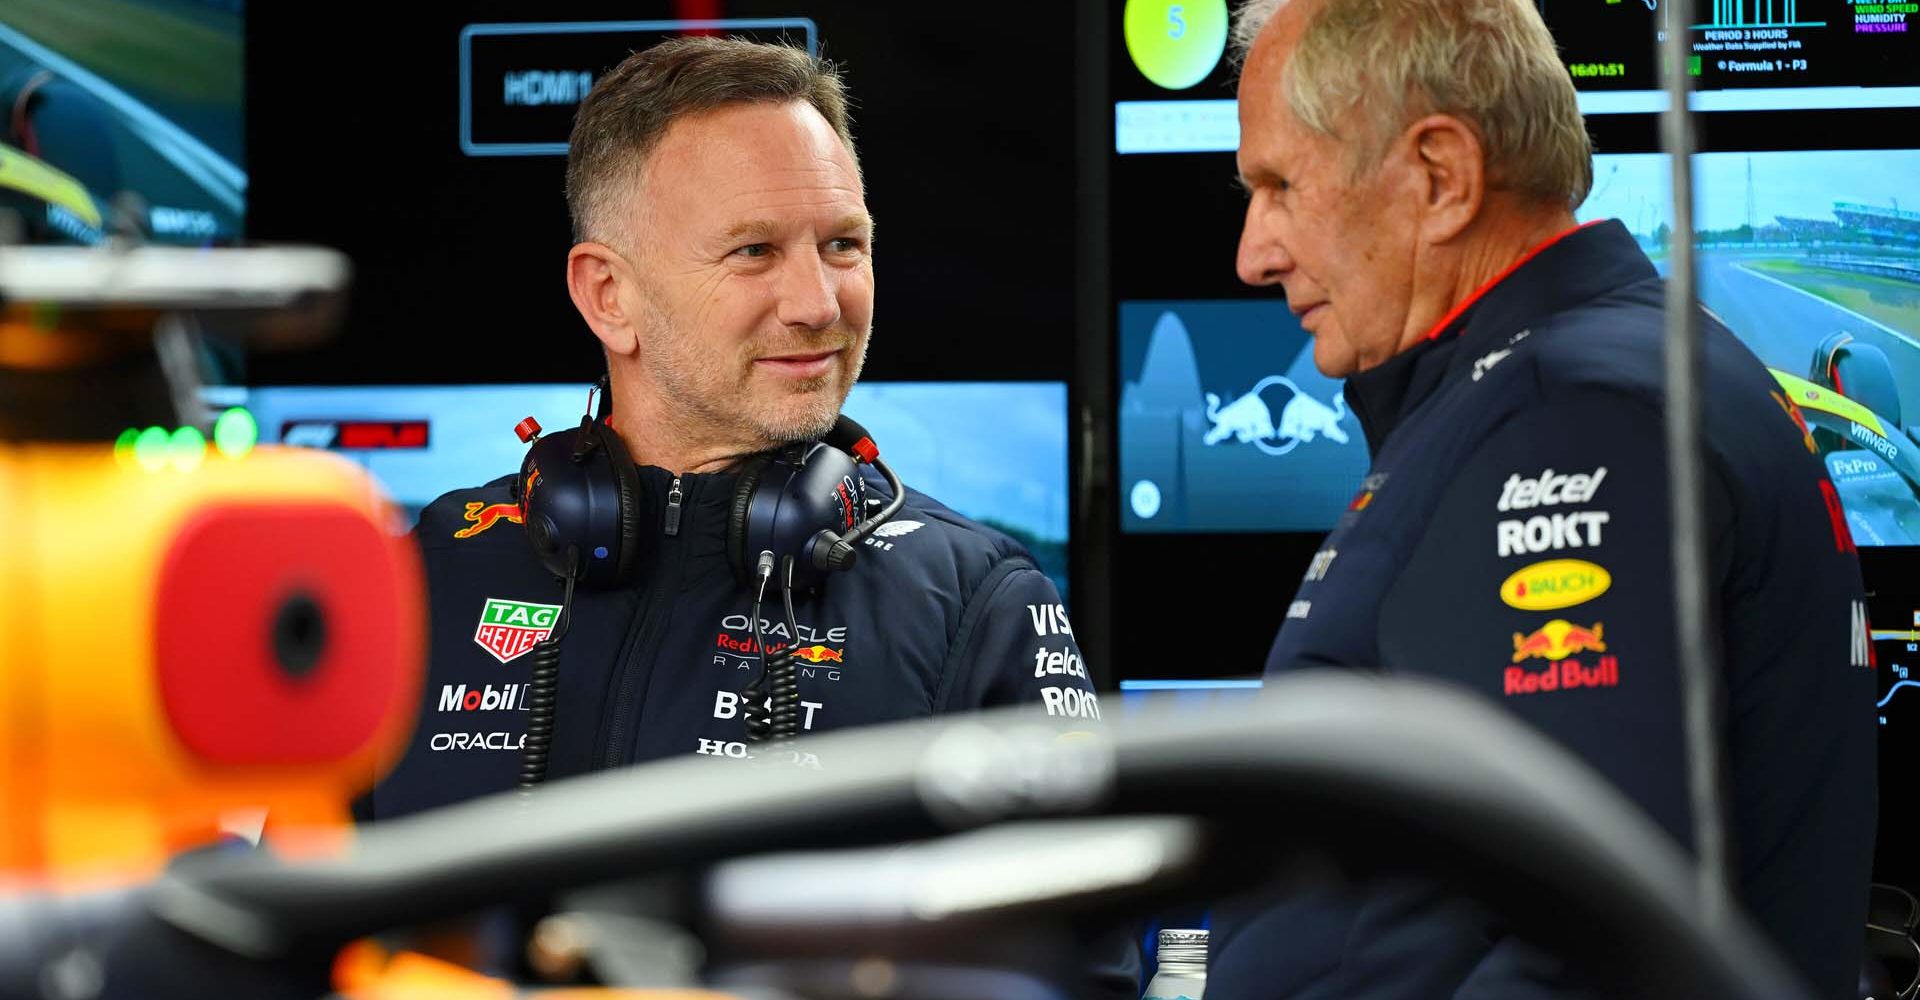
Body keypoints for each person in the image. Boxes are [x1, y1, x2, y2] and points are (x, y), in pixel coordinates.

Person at [1208, 0, 1876, 997]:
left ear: (1440, 176)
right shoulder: (1610, 372)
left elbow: (1589, 943)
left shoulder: (1570, 412)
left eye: (1279, 187)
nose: (1252, 252)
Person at [363, 37, 1102, 836]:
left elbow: (1073, 957)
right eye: (755, 251)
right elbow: (279, 934)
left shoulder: (978, 604)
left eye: (843, 245)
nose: (818, 303)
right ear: (609, 295)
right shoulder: (420, 578)